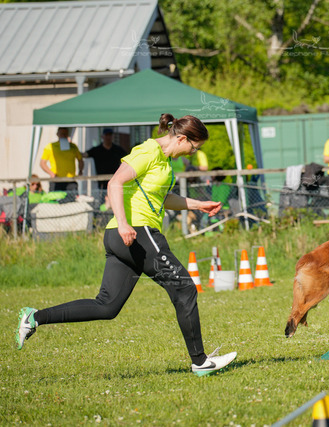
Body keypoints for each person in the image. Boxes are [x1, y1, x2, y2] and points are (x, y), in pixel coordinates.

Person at [16, 114, 237, 377]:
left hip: (125, 237)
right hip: (136, 231)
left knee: (107, 306)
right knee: (184, 288)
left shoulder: (165, 161)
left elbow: (162, 198)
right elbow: (115, 183)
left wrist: (199, 205)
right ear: (181, 138)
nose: (192, 152)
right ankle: (200, 362)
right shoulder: (148, 151)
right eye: (193, 147)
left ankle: (34, 317)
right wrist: (123, 223)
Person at [40, 127, 84, 192]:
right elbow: (42, 163)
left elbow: (80, 160)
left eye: (65, 133)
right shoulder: (51, 146)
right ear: (57, 134)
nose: (63, 135)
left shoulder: (73, 146)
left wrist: (80, 170)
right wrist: (51, 174)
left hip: (70, 180)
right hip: (56, 180)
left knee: (72, 197)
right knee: (55, 197)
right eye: (61, 133)